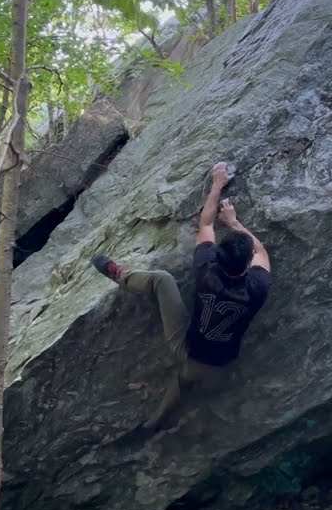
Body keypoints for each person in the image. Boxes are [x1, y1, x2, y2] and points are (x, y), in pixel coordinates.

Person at [92, 161, 273, 431]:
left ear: (218, 256)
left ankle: (121, 276)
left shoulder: (205, 267)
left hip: (187, 346)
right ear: (248, 266)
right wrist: (236, 223)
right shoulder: (258, 286)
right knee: (193, 389)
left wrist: (217, 184)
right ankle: (170, 423)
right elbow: (261, 252)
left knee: (161, 279)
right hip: (219, 367)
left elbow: (206, 222)